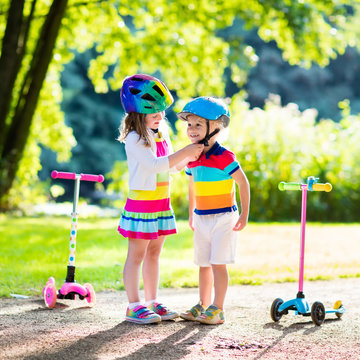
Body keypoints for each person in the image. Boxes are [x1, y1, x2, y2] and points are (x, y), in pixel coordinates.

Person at [117, 74, 204, 324]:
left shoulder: (160, 133)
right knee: (137, 255)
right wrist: (184, 152)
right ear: (137, 112)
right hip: (142, 204)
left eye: (161, 111)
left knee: (154, 253)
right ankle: (134, 305)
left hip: (160, 203)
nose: (159, 116)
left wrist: (190, 159)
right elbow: (155, 166)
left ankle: (152, 301)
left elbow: (171, 167)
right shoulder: (135, 138)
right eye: (153, 111)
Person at [177, 96, 250, 325]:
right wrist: (191, 213)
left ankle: (218, 308)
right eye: (189, 124)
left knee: (218, 263)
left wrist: (245, 214)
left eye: (198, 124)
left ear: (215, 127)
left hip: (224, 217)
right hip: (202, 218)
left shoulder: (225, 156)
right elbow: (192, 185)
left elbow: (243, 183)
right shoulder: (192, 155)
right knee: (203, 263)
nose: (192, 129)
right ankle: (203, 304)